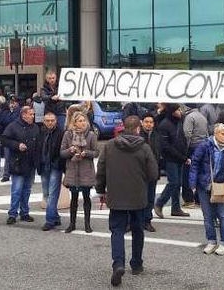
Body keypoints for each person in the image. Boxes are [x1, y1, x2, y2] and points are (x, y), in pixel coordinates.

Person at [96, 115, 159, 287]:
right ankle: (137, 264)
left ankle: (118, 263)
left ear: (123, 127)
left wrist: (100, 188)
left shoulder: (110, 146)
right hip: (138, 195)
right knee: (138, 230)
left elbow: (101, 169)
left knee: (117, 230)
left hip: (116, 195)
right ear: (138, 128)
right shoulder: (144, 147)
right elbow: (153, 173)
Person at [190, 123, 224, 256]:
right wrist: (192, 183)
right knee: (208, 216)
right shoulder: (205, 146)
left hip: (220, 186)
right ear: (215, 134)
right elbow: (195, 163)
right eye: (222, 133)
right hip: (204, 185)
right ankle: (211, 241)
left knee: (223, 215)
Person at [60, 109, 98, 233]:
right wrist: (70, 150)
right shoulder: (68, 134)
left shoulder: (91, 135)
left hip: (86, 171)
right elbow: (62, 153)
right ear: (74, 123)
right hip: (73, 170)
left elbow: (96, 152)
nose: (83, 123)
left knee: (86, 197)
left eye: (84, 121)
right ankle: (72, 224)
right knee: (74, 198)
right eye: (80, 121)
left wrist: (86, 153)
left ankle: (87, 224)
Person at [2, 106, 41, 225]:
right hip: (18, 162)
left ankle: (24, 212)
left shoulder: (35, 127)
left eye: (33, 114)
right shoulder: (13, 126)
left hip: (31, 163)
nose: (33, 116)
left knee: (27, 190)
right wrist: (17, 145)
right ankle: (12, 214)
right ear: (24, 115)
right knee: (17, 190)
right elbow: (4, 140)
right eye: (30, 114)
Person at [154, 103, 191, 218]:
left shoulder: (178, 122)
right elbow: (166, 146)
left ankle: (176, 208)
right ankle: (159, 203)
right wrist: (181, 156)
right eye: (178, 110)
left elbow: (182, 139)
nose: (180, 112)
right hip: (170, 158)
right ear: (172, 112)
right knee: (173, 182)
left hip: (180, 157)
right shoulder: (165, 125)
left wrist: (184, 156)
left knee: (178, 184)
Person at [38, 111, 66, 231]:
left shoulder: (61, 133)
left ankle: (49, 220)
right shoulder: (41, 132)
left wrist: (60, 164)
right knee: (46, 194)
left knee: (53, 194)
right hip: (43, 165)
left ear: (56, 121)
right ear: (44, 121)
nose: (50, 123)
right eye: (47, 121)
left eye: (52, 120)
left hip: (55, 166)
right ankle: (55, 217)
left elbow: (63, 150)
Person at [139, 112, 161, 232]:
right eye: (146, 122)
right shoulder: (138, 136)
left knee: (150, 197)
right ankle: (134, 221)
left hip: (153, 172)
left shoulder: (156, 135)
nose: (149, 124)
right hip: (140, 172)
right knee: (139, 198)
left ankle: (147, 221)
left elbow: (158, 153)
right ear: (142, 123)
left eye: (151, 122)